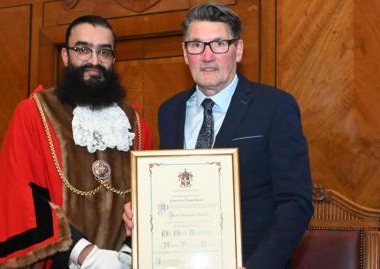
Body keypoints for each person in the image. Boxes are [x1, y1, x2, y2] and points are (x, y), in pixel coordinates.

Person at [123, 3, 313, 269]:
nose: (207, 55)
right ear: (185, 52)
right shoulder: (170, 111)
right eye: (196, 44)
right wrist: (144, 209)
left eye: (219, 44)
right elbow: (174, 187)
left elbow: (296, 203)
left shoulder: (275, 107)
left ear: (238, 50)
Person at [0, 15, 151, 269]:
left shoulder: (136, 125)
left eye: (104, 52)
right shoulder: (35, 113)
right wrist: (85, 254)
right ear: (65, 56)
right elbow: (21, 195)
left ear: (113, 60)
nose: (94, 61)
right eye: (83, 50)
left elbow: (147, 198)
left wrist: (128, 252)